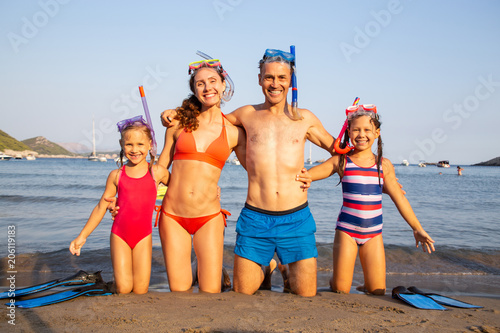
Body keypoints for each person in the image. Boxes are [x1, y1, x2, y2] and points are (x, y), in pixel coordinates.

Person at [219, 49, 335, 297]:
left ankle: (283, 266)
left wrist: (314, 174)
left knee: (305, 295)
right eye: (269, 77)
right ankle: (268, 267)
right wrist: (177, 114)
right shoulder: (246, 114)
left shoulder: (304, 118)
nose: (275, 84)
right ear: (259, 79)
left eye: (282, 77)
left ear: (291, 80)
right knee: (242, 294)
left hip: (296, 219)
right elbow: (210, 122)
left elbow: (341, 153)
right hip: (255, 218)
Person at [305, 104, 435, 295]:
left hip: (373, 234)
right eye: (356, 130)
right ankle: (335, 280)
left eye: (367, 130)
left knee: (378, 291)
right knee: (341, 289)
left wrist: (417, 228)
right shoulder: (341, 161)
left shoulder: (384, 166)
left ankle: (366, 285)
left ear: (377, 133)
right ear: (348, 132)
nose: (361, 134)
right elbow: (308, 175)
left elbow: (399, 199)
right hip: (347, 231)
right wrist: (303, 178)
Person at [157, 58, 247, 293]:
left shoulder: (235, 132)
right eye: (200, 84)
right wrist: (125, 196)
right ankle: (198, 266)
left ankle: (204, 266)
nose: (208, 88)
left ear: (224, 84)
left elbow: (257, 172)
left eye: (213, 81)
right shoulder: (177, 124)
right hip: (173, 215)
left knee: (211, 292)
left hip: (208, 217)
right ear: (194, 90)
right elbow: (160, 170)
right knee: (179, 291)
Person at [70, 116, 170, 294]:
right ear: (121, 144)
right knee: (124, 289)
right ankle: (110, 284)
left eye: (140, 144)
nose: (134, 149)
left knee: (140, 291)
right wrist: (82, 236)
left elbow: (183, 188)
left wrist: (211, 190)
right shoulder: (116, 175)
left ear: (150, 144)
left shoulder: (157, 172)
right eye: (129, 144)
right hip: (120, 235)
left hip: (144, 236)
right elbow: (101, 207)